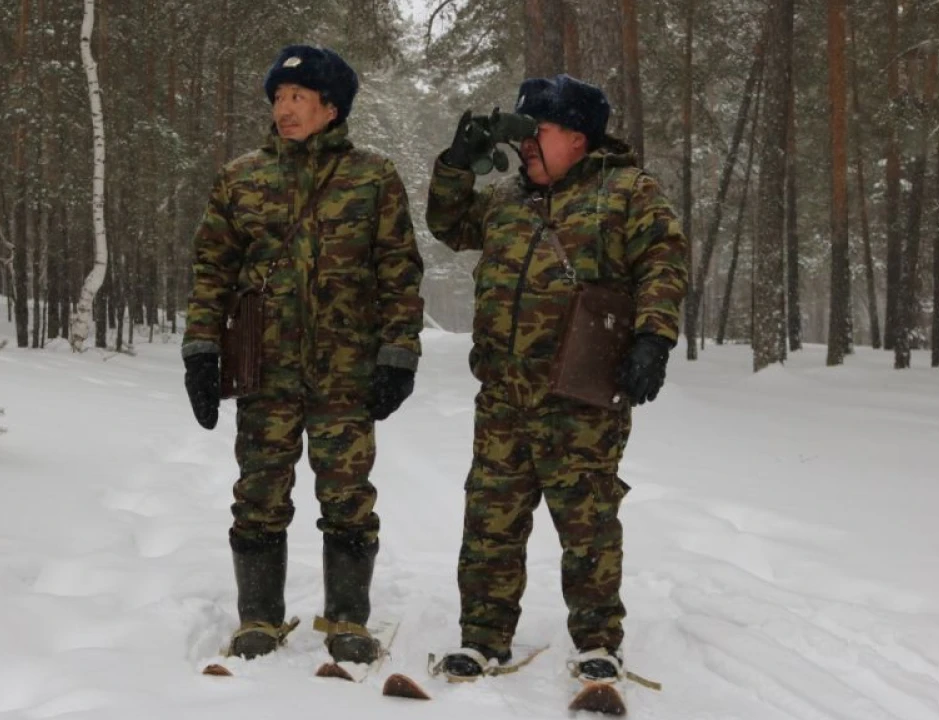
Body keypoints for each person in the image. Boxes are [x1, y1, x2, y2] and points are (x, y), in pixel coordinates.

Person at [425, 75, 688, 685]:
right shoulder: (506, 202)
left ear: (578, 137)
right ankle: (482, 639)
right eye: (521, 135)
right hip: (503, 397)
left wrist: (654, 337)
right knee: (491, 518)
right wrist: (457, 162)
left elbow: (663, 262)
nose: (525, 147)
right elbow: (448, 222)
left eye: (536, 132)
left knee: (588, 522)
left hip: (581, 395)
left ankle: (598, 642)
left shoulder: (626, 193)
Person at [181, 45, 425, 665]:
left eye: (297, 98)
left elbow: (398, 271)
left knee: (348, 496)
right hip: (264, 370)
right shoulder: (241, 177)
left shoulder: (373, 177)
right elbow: (212, 269)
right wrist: (202, 348)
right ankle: (258, 618)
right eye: (278, 99)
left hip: (347, 372)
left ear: (330, 107)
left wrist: (399, 351)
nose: (284, 110)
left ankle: (348, 620)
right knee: (258, 493)